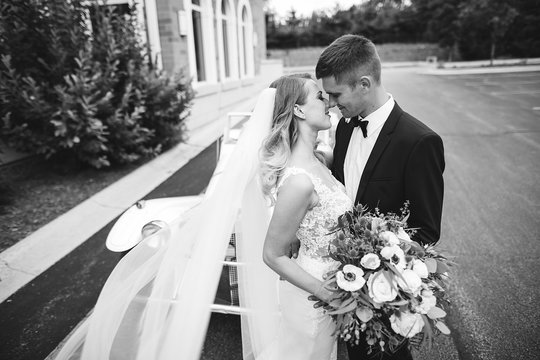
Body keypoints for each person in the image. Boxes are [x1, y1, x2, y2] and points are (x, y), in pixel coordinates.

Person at [54, 74, 350, 360]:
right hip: (314, 296)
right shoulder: (299, 181)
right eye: (320, 96)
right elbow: (272, 255)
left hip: (325, 280)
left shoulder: (320, 161)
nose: (329, 101)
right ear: (298, 109)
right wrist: (326, 292)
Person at [315, 34, 445, 359]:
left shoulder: (419, 142)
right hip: (347, 286)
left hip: (385, 294)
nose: (330, 104)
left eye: (335, 94)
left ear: (364, 83)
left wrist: (378, 270)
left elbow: (426, 232)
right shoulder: (346, 126)